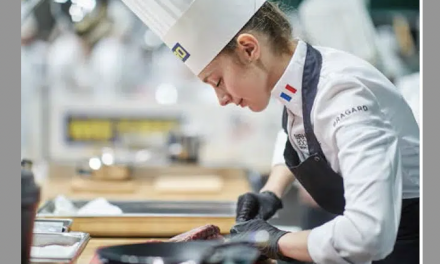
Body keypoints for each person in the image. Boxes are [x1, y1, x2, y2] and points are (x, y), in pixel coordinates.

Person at [121, 1, 419, 263]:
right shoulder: (300, 80)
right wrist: (271, 193)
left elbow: (366, 235)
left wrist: (269, 240)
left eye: (217, 81)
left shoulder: (342, 93)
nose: (221, 98)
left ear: (249, 48)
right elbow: (297, 131)